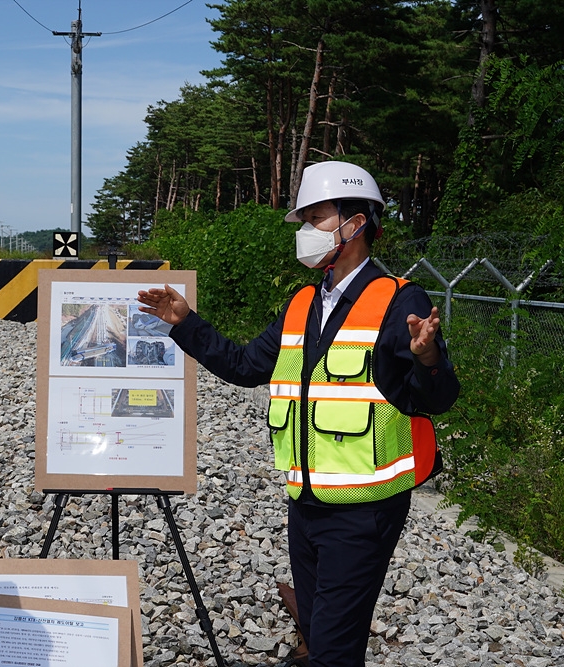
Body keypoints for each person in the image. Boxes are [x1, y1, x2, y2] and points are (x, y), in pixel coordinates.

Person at [137, 161, 460, 667]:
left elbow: (436, 398)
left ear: (356, 223)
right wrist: (184, 323)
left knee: (332, 647)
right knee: (315, 625)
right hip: (305, 502)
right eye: (305, 219)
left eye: (316, 217)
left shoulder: (400, 299)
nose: (307, 231)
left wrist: (427, 357)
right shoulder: (303, 304)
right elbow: (245, 366)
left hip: (364, 509)